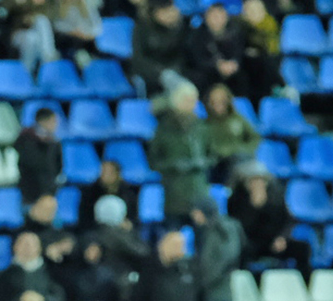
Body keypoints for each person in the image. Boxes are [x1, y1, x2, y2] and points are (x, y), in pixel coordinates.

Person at [229, 165, 309, 274]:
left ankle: (304, 281)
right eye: (253, 181)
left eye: (261, 181)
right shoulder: (237, 200)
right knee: (240, 251)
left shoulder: (276, 197)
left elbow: (289, 220)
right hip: (251, 242)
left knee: (303, 248)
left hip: (274, 241)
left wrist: (282, 237)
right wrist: (255, 207)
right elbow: (240, 226)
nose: (258, 185)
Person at [149, 82, 210, 221]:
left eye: (194, 100)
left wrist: (202, 162)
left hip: (198, 189)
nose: (192, 104)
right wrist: (173, 165)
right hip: (173, 191)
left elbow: (211, 153)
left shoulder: (202, 127)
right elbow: (153, 160)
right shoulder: (163, 129)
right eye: (188, 100)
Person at [201, 84, 259, 181]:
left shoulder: (238, 120)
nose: (218, 104)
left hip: (238, 159)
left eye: (221, 101)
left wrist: (244, 149)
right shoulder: (204, 125)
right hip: (216, 163)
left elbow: (254, 137)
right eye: (214, 101)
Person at [14, 107, 62, 204]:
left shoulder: (54, 142)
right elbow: (29, 163)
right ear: (43, 121)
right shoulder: (25, 139)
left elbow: (59, 164)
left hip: (49, 189)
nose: (56, 124)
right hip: (30, 189)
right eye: (53, 121)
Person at [77, 159, 139, 231]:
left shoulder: (128, 193)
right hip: (97, 232)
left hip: (121, 233)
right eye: (103, 172)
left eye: (109, 172)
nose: (104, 175)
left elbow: (134, 219)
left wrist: (129, 224)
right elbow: (84, 219)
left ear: (117, 174)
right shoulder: (90, 192)